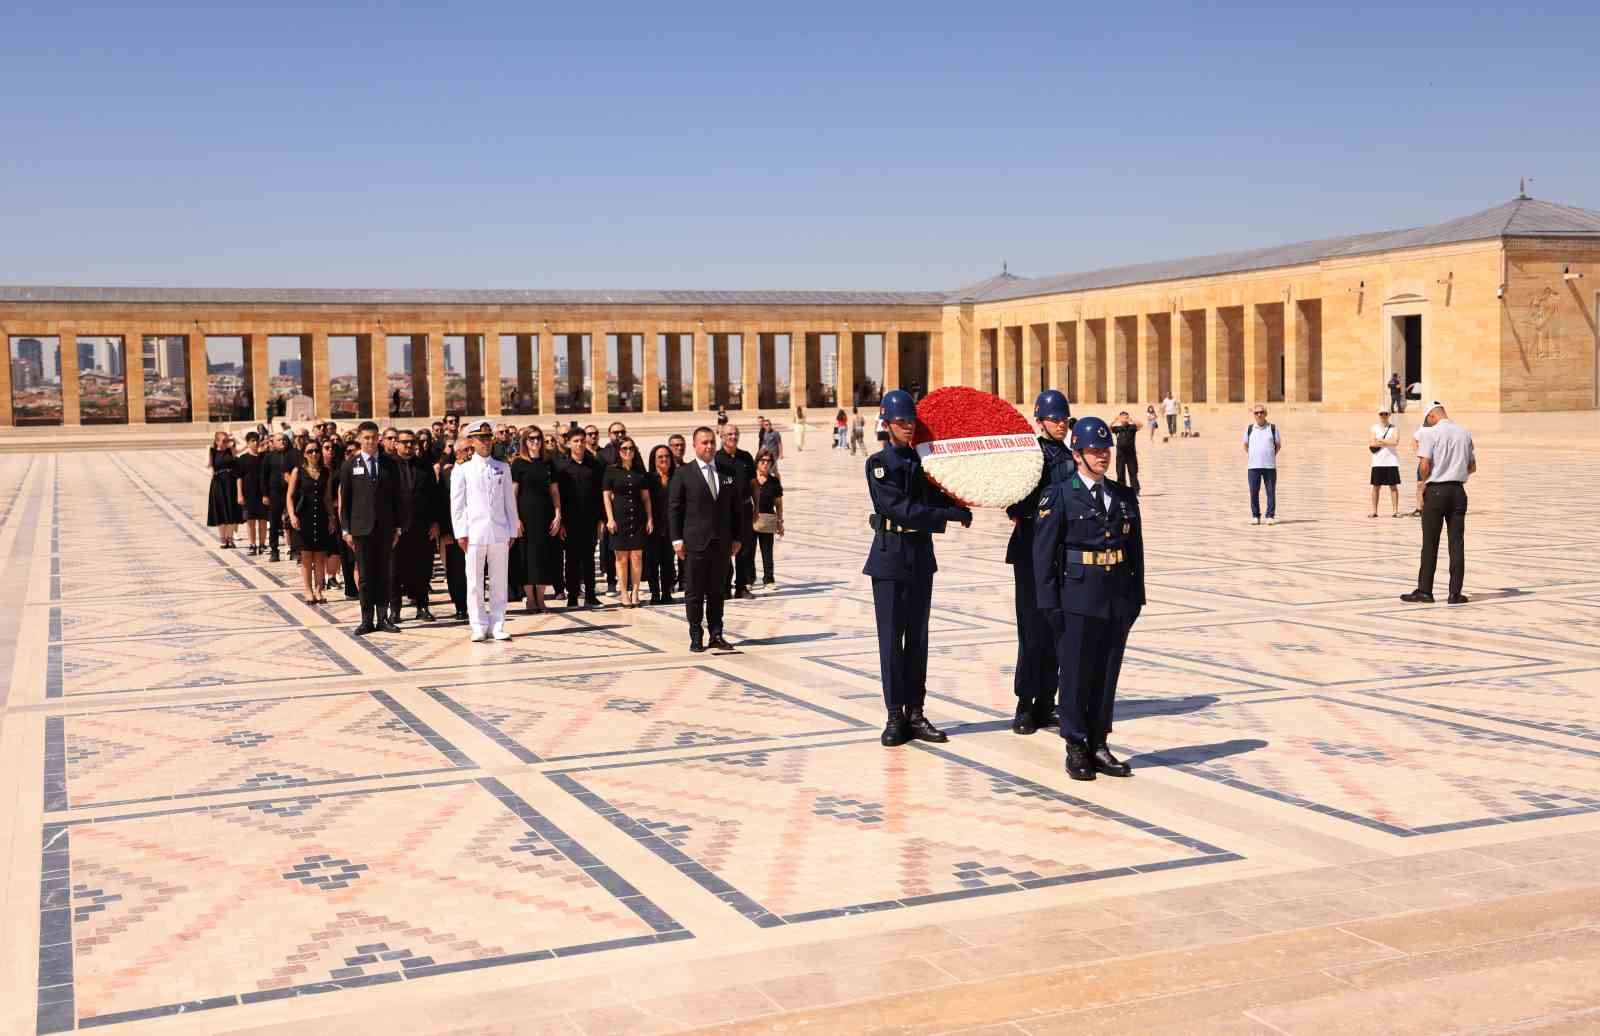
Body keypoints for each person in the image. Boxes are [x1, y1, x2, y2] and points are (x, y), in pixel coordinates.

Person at [1033, 415, 1145, 780]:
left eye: (1106, 450)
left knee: (1106, 673)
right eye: (1095, 451)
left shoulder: (1123, 496)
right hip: (1076, 598)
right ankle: (1076, 744)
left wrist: (1136, 599)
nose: (1103, 457)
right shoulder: (1060, 495)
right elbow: (1044, 554)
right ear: (1077, 454)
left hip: (1115, 598)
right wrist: (1049, 603)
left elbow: (1136, 552)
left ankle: (1099, 741)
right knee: (1076, 674)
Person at [866, 389, 972, 747]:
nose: (908, 427)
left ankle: (916, 710)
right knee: (892, 640)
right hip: (890, 557)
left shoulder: (924, 463)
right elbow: (901, 510)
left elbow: (944, 491)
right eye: (901, 422)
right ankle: (895, 714)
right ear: (887, 423)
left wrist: (967, 494)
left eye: (911, 421)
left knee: (918, 640)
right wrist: (948, 515)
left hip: (919, 557)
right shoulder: (878, 464)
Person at [1006, 389, 1075, 736]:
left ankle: (1047, 702)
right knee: (1031, 630)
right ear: (1040, 421)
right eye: (1055, 420)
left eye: (1065, 419)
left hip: (1061, 555)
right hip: (1031, 552)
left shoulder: (1071, 456)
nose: (1062, 425)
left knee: (1055, 630)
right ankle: (1025, 703)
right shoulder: (1030, 456)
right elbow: (1014, 502)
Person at [670, 426, 741, 653]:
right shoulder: (683, 473)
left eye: (711, 442)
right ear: (695, 446)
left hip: (720, 543)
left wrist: (737, 536)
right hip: (695, 542)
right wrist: (676, 540)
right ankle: (695, 634)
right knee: (694, 591)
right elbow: (674, 509)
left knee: (717, 590)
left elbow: (735, 508)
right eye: (704, 443)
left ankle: (716, 633)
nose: (709, 446)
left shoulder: (725, 471)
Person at [450, 419, 520, 641]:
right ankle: (478, 624)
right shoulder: (463, 469)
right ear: (472, 441)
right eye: (481, 438)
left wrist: (512, 529)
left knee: (499, 581)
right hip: (474, 532)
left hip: (499, 531)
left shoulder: (502, 467)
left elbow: (510, 501)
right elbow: (457, 504)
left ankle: (498, 623)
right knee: (474, 582)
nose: (486, 442)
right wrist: (460, 532)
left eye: (488, 438)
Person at [1402, 402, 1476, 605]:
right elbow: (1472, 466)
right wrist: (1455, 474)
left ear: (1432, 417)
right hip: (1458, 491)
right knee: (1456, 543)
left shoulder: (1429, 434)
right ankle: (1455, 593)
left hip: (1435, 491)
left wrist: (1426, 480)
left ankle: (1425, 591)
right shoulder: (1464, 433)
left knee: (1430, 543)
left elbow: (1424, 465)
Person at [339, 421, 402, 636]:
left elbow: (398, 498)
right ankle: (366, 619)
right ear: (359, 439)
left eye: (374, 437)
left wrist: (398, 527)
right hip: (361, 529)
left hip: (385, 529)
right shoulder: (350, 465)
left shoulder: (390, 464)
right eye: (366, 437)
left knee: (384, 574)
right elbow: (345, 501)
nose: (370, 441)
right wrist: (345, 530)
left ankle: (383, 617)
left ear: (379, 439)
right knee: (365, 576)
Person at [389, 429, 441, 624]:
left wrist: (435, 523)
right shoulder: (388, 465)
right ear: (396, 444)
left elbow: (434, 496)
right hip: (397, 528)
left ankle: (422, 606)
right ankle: (395, 610)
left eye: (412, 442)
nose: (409, 446)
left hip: (422, 526)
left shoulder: (424, 465)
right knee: (394, 570)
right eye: (404, 442)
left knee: (422, 568)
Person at [511, 429, 561, 614]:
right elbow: (513, 493)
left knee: (543, 556)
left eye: (538, 438)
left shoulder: (548, 463)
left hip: (545, 515)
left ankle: (541, 598)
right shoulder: (518, 463)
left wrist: (558, 514)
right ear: (525, 441)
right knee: (526, 556)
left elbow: (554, 491)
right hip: (525, 516)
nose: (535, 441)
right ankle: (530, 599)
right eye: (531, 438)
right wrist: (515, 518)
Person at [555, 428, 605, 608]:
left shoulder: (594, 465)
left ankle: (591, 595)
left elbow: (600, 494)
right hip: (570, 521)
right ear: (569, 443)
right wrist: (560, 523)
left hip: (590, 520)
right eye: (575, 441)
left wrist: (601, 520)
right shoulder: (562, 467)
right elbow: (558, 495)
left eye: (582, 441)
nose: (579, 444)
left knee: (589, 558)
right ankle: (573, 595)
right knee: (571, 560)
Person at [603, 436, 652, 607]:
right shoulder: (611, 471)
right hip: (619, 518)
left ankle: (636, 592)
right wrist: (610, 519)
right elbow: (606, 496)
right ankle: (623, 592)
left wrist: (650, 518)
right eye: (624, 448)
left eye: (631, 448)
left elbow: (646, 498)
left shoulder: (640, 471)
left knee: (637, 556)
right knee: (622, 558)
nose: (628, 451)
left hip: (638, 518)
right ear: (619, 451)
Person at [287, 439, 335, 603]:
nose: (314, 454)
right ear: (304, 455)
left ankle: (319, 590)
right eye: (310, 451)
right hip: (303, 517)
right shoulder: (297, 471)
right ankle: (307, 591)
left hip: (321, 516)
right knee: (306, 556)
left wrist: (331, 518)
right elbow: (290, 496)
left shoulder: (326, 472)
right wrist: (292, 515)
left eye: (316, 450)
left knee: (320, 556)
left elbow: (328, 498)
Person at [716, 425, 758, 599]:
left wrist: (757, 507)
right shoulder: (716, 459)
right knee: (725, 548)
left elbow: (754, 484)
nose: (733, 437)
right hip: (725, 511)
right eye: (729, 434)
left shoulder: (746, 457)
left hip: (745, 508)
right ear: (722, 436)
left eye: (736, 434)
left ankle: (742, 586)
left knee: (745, 549)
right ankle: (725, 586)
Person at [437, 440, 472, 620]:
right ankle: (460, 606)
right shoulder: (447, 473)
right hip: (454, 530)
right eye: (467, 450)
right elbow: (442, 504)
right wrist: (445, 532)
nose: (471, 453)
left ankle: (474, 605)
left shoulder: (476, 470)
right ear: (458, 453)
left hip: (475, 530)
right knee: (456, 571)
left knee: (475, 570)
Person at [645, 444, 678, 605]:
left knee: (668, 562)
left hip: (672, 527)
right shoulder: (649, 479)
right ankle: (654, 594)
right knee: (652, 562)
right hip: (653, 527)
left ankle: (667, 593)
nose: (664, 459)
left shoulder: (678, 477)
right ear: (654, 460)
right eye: (660, 457)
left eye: (666, 456)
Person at [1244, 405, 1282, 525]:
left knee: (1270, 491)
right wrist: (1254, 455)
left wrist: (1270, 455)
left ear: (1265, 414)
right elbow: (1245, 445)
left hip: (1269, 466)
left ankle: (1270, 515)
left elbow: (1278, 445)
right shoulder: (1249, 428)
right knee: (1253, 491)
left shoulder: (1272, 428)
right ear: (1254, 415)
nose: (1259, 415)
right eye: (1256, 413)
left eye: (1261, 412)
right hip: (1253, 466)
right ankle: (1256, 515)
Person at [751, 448, 783, 589]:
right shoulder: (750, 480)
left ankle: (768, 579)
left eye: (768, 461)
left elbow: (778, 503)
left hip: (768, 519)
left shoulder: (774, 481)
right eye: (762, 461)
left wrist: (780, 521)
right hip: (751, 520)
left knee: (767, 550)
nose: (765, 464)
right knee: (749, 551)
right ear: (757, 462)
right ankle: (749, 578)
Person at [265, 431, 297, 561]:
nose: (282, 442)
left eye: (284, 440)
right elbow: (264, 476)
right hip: (275, 494)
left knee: (292, 521)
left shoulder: (293, 454)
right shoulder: (269, 457)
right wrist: (265, 494)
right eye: (279, 440)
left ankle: (295, 550)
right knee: (274, 522)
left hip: (291, 493)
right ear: (273, 443)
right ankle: (274, 550)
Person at [207, 431, 241, 548]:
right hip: (218, 483)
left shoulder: (230, 450)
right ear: (216, 441)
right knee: (220, 511)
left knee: (231, 511)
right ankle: (223, 538)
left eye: (227, 440)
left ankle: (230, 538)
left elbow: (241, 450)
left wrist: (234, 440)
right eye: (223, 440)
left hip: (231, 483)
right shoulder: (212, 451)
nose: (225, 442)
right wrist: (209, 450)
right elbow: (207, 464)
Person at [236, 431, 266, 554]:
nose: (255, 443)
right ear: (248, 443)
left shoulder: (264, 457)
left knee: (263, 520)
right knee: (250, 521)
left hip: (262, 493)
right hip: (248, 493)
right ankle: (252, 544)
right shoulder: (242, 459)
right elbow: (239, 478)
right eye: (253, 441)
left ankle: (263, 545)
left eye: (257, 440)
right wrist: (239, 494)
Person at [1369, 409, 1402, 518]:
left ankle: (1395, 510)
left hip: (1391, 461)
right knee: (1376, 487)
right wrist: (1388, 442)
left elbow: (1396, 442)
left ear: (1389, 415)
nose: (1383, 416)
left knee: (1393, 487)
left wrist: (1381, 441)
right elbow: (1372, 443)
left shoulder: (1394, 428)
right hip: (1378, 462)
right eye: (1381, 414)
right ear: (1378, 415)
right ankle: (1374, 511)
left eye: (1386, 414)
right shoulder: (1374, 428)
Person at [1109, 411, 1140, 493]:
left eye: (1125, 417)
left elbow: (1140, 425)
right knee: (1120, 473)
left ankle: (1135, 490)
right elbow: (1108, 428)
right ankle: (1121, 490)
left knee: (1133, 473)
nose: (1124, 419)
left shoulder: (1132, 427)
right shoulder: (1117, 429)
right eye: (1122, 417)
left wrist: (1131, 419)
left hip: (1131, 455)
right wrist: (1115, 420)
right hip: (1120, 455)